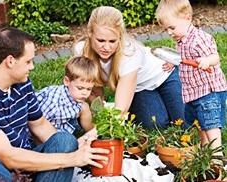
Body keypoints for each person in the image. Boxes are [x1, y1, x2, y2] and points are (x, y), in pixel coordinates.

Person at [0, 27, 109, 182]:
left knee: (65, 139)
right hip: (0, 170)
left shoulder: (22, 84)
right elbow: (8, 156)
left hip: (28, 163)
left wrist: (74, 148)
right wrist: (71, 159)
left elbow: (40, 125)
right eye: (28, 61)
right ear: (10, 61)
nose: (32, 67)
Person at [72, 6, 185, 129]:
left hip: (164, 74)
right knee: (156, 124)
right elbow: (94, 90)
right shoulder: (82, 50)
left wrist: (98, 133)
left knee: (185, 121)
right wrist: (100, 117)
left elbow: (120, 110)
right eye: (101, 40)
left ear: (120, 36)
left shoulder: (130, 53)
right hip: (140, 88)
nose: (106, 47)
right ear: (90, 33)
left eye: (112, 41)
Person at [156, 0, 227, 163]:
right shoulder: (182, 40)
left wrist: (207, 61)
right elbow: (184, 58)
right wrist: (174, 61)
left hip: (209, 91)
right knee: (199, 122)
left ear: (187, 19)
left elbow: (215, 56)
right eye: (166, 29)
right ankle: (204, 149)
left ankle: (216, 155)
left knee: (210, 122)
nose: (169, 32)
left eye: (171, 28)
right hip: (194, 91)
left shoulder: (199, 39)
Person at [36, 56, 97, 135]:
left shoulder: (76, 97)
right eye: (80, 88)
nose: (85, 93)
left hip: (62, 122)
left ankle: (92, 134)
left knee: (84, 106)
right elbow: (37, 124)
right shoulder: (53, 101)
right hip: (43, 130)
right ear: (67, 81)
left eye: (89, 89)